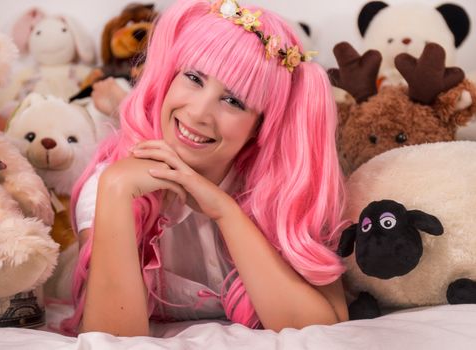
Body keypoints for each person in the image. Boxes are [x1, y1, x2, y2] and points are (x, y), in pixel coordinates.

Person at [62, 0, 348, 337]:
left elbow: (329, 325)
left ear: (260, 125)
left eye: (234, 101)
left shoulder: (286, 190)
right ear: (169, 76)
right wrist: (116, 188)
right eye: (194, 78)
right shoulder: (111, 187)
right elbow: (112, 341)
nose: (199, 113)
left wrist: (225, 211)